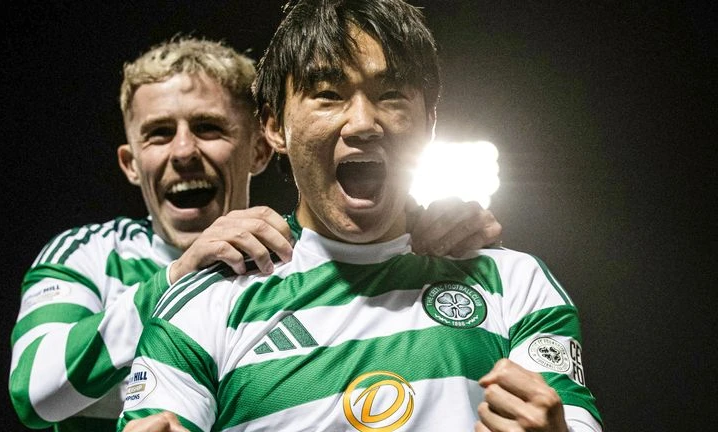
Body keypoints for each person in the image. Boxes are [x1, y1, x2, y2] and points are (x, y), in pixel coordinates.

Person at [117, 1, 602, 431]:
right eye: (328, 94)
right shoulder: (204, 305)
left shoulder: (515, 284)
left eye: (391, 95)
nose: (364, 123)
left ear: (429, 124)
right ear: (273, 127)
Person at [8, 35, 503, 431]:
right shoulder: (91, 254)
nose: (183, 152)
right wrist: (177, 278)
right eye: (159, 133)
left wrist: (441, 240)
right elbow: (34, 392)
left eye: (209, 128)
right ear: (131, 164)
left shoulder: (301, 260)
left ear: (263, 148)